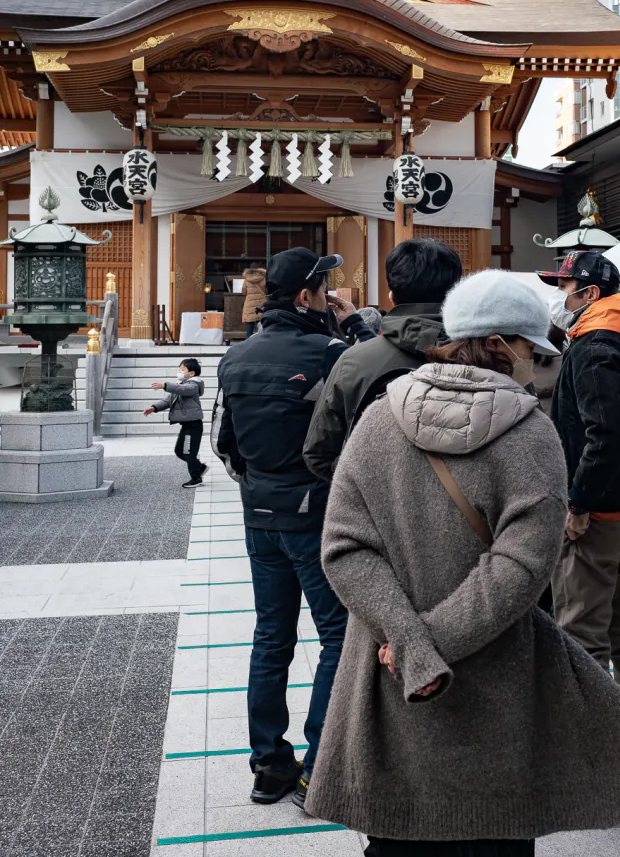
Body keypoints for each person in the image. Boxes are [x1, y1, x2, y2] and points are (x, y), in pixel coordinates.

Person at [305, 268, 620, 851]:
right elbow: (522, 565)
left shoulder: (380, 420)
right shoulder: (531, 434)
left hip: (387, 672)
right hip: (498, 674)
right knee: (497, 836)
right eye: (535, 353)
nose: (539, 365)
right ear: (505, 345)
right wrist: (434, 642)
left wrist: (410, 641)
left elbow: (344, 546)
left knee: (393, 836)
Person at [216, 247, 375, 812]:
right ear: (308, 297)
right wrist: (352, 320)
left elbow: (223, 444)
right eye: (324, 287)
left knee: (270, 637)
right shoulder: (334, 353)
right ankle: (320, 761)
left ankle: (267, 765)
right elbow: (360, 423)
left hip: (259, 515)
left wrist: (259, 485)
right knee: (337, 635)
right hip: (316, 514)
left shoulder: (236, 357)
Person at [539, 249, 620, 724]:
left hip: (599, 519)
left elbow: (608, 435)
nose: (561, 296)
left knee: (582, 637)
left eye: (565, 287)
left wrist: (579, 502)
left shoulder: (595, 346)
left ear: (590, 293)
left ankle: (597, 762)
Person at [303, 238, 462, 483]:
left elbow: (319, 454)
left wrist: (376, 488)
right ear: (456, 293)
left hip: (381, 512)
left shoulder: (354, 361)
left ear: (391, 296)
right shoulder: (491, 357)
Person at [144, 358, 207, 487]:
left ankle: (196, 478)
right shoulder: (180, 386)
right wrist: (154, 408)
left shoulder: (193, 385)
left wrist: (165, 385)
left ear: (192, 373)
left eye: (182, 369)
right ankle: (199, 467)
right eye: (179, 369)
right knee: (180, 451)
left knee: (188, 452)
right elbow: (167, 400)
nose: (179, 371)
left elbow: (183, 390)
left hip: (193, 424)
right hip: (186, 425)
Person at [241, 261, 266, 338]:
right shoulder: (264, 278)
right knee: (262, 327)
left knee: (249, 326)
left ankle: (248, 344)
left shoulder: (247, 279)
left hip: (250, 305)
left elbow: (243, 292)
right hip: (261, 305)